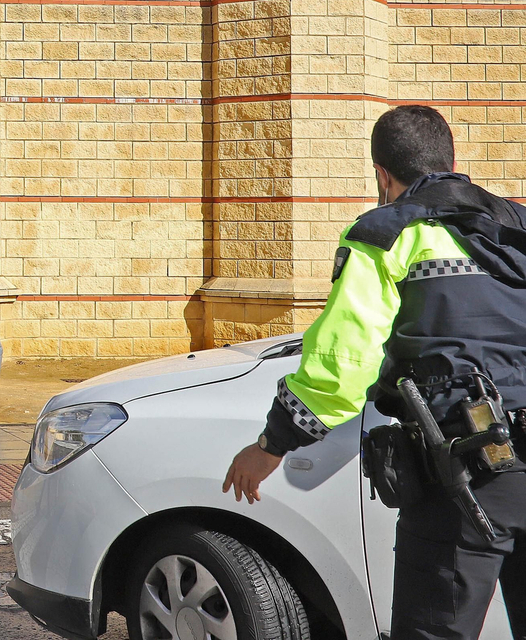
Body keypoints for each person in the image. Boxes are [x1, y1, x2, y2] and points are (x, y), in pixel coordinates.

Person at [223, 105, 526, 640]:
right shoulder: (517, 226)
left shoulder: (386, 233)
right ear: (451, 160)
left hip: (468, 473)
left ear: (382, 175)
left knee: (436, 628)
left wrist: (271, 444)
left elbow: (343, 364)